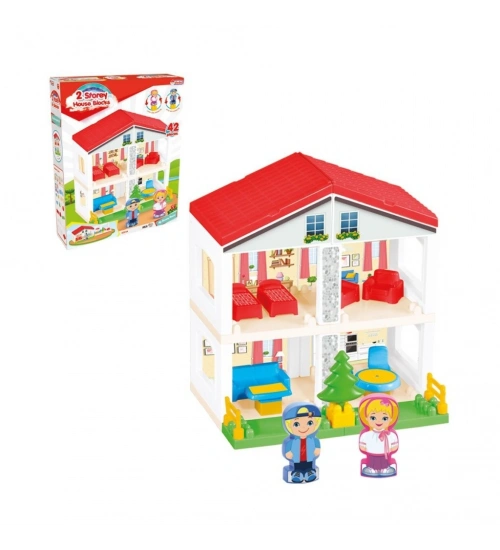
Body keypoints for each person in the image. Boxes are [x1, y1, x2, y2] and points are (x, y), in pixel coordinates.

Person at [358, 394, 399, 477]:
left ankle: (385, 468)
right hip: (371, 455)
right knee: (372, 461)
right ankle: (371, 468)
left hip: (385, 456)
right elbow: (362, 447)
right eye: (373, 418)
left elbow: (394, 447)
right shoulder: (366, 435)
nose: (379, 421)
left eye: (384, 418)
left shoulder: (390, 435)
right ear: (366, 418)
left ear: (391, 419)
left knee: (384, 461)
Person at [282, 402, 321, 483]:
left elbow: (317, 445)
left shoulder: (313, 439)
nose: (303, 427)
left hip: (310, 458)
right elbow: (287, 446)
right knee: (297, 467)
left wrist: (317, 449)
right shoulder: (291, 441)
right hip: (296, 459)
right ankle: (297, 474)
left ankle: (310, 473)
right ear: (289, 425)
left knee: (309, 466)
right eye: (296, 424)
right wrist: (288, 453)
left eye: (310, 423)